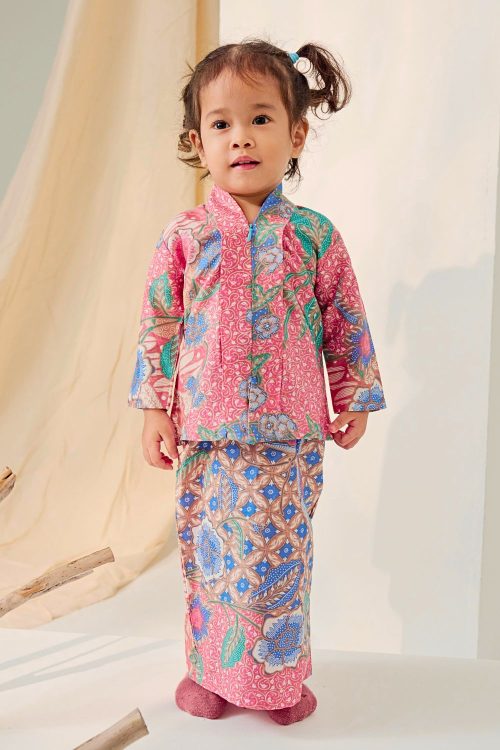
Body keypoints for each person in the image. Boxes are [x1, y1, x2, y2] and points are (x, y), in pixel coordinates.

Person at [128, 38, 387, 724]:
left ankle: (277, 681)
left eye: (261, 118)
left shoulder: (315, 236)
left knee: (280, 558)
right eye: (222, 123)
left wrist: (355, 396)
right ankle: (210, 674)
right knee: (210, 555)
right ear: (199, 142)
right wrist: (155, 409)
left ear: (296, 134)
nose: (241, 136)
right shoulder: (184, 236)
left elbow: (345, 320)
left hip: (290, 435)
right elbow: (160, 323)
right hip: (206, 433)